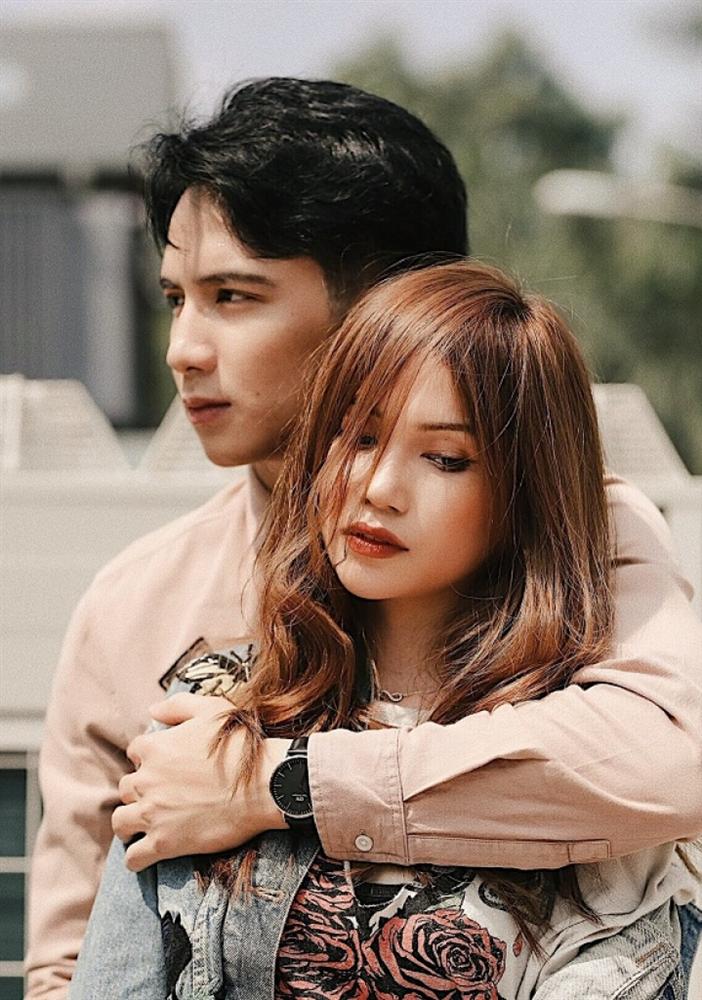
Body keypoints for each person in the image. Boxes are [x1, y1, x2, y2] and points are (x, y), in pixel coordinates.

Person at [26, 78, 702, 998]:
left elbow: (664, 763)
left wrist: (276, 784)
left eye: (233, 296)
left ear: (395, 305)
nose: (184, 346)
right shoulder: (139, 604)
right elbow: (73, 965)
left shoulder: (578, 533)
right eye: (174, 298)